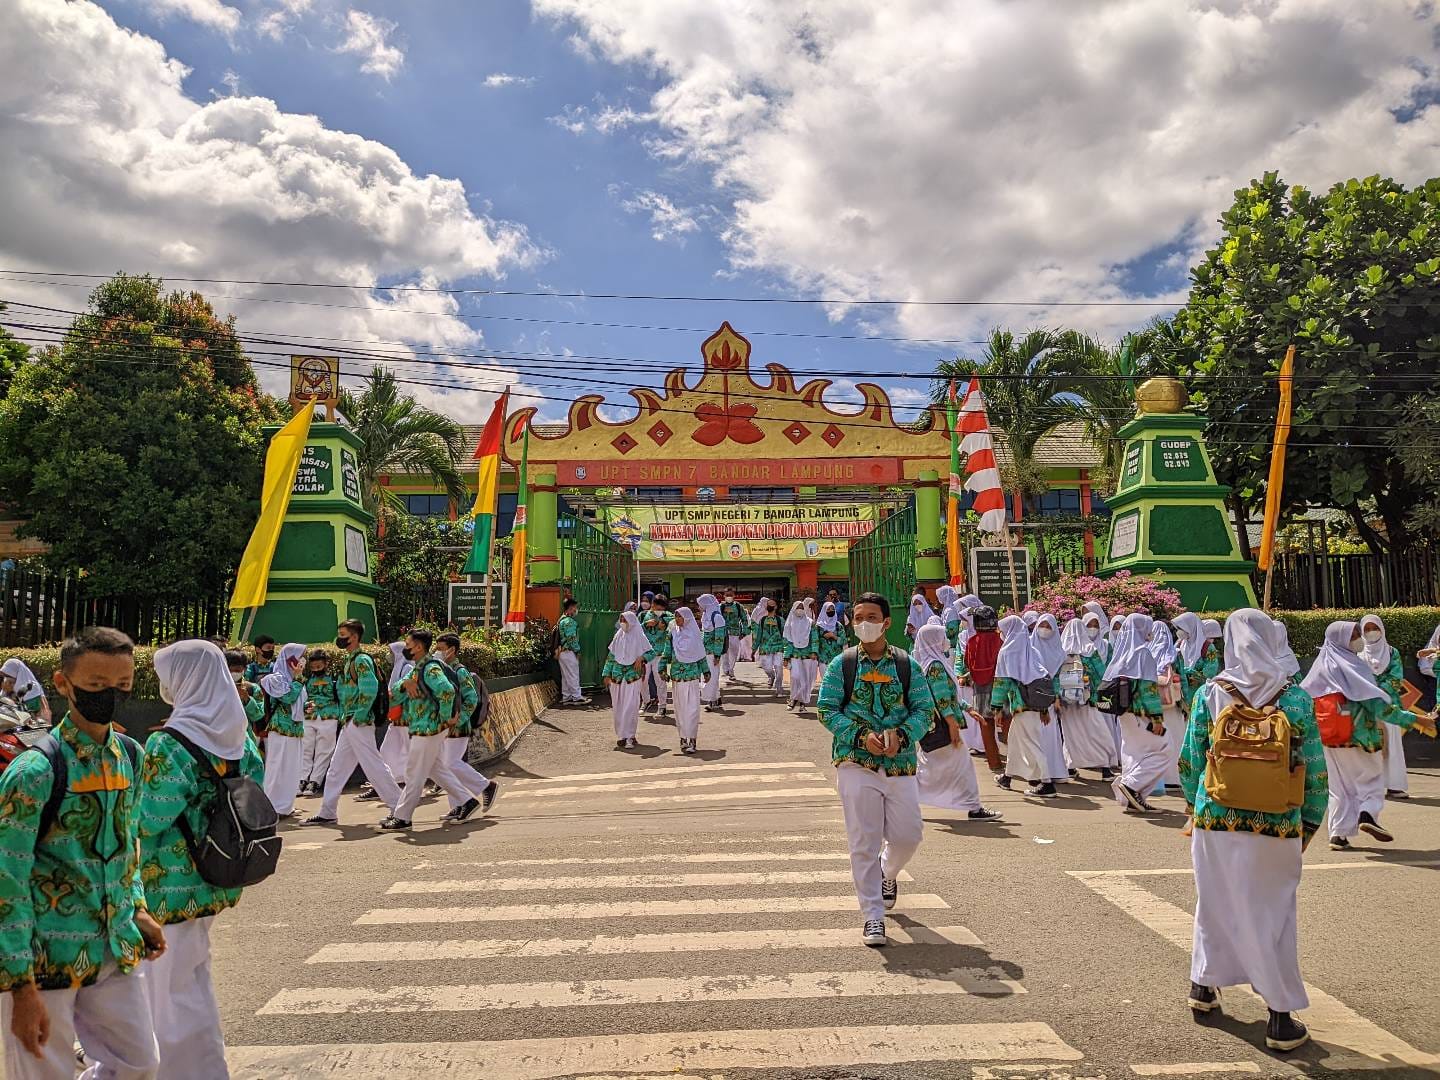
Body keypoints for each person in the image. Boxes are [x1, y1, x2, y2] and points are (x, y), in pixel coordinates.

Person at [0, 627, 163, 1080]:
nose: (110, 696)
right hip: (43, 959)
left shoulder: (129, 755)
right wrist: (19, 986)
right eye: (96, 686)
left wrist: (139, 909)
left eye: (122, 687)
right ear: (62, 682)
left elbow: (128, 843)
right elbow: (5, 878)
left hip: (114, 947)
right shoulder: (34, 771)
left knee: (140, 1066)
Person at [1179, 609, 1327, 1053]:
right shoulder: (1296, 698)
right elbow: (1315, 769)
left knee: (1214, 902)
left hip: (1215, 817)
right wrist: (1309, 824)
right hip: (1276, 820)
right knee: (1274, 915)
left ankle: (1203, 988)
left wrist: (1193, 804)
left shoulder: (1210, 692)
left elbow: (1191, 758)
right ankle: (1279, 1017)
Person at [140, 639, 265, 1079]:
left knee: (170, 994)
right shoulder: (238, 735)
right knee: (191, 981)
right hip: (215, 873)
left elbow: (149, 818)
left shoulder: (169, 743)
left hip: (167, 884)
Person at [816, 592, 936, 947]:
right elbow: (826, 709)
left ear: (886, 622)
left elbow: (924, 710)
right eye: (857, 617)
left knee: (908, 835)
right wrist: (859, 736)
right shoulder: (843, 664)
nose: (863, 623)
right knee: (863, 840)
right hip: (856, 763)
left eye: (871, 616)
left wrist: (903, 735)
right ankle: (873, 916)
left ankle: (889, 872)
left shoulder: (906, 665)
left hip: (900, 766)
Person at [1300, 621, 1434, 851]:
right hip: (1360, 737)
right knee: (1371, 780)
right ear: (1342, 639)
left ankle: (1338, 834)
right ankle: (1367, 815)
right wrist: (1417, 719)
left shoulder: (1321, 667)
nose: (1359, 637)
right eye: (1354, 634)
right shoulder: (1354, 667)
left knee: (1339, 787)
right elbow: (1379, 708)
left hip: (1329, 739)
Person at [305, 620, 403, 827]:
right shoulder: (352, 659)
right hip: (351, 720)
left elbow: (370, 687)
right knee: (336, 769)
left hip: (358, 721)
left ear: (355, 637)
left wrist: (359, 714)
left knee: (374, 766)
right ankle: (328, 811)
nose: (339, 638)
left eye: (342, 634)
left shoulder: (360, 660)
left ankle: (399, 809)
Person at [914, 620, 1001, 822]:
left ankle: (907, 800)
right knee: (962, 767)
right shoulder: (934, 666)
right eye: (942, 637)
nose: (946, 640)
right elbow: (942, 698)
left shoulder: (930, 663)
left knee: (929, 767)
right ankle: (974, 808)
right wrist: (953, 725)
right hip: (943, 726)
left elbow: (949, 695)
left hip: (935, 726)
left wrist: (968, 709)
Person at [1104, 612, 1170, 813]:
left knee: (1134, 753)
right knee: (1165, 748)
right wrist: (1157, 718)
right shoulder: (1143, 652)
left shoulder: (1122, 651)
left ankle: (1133, 798)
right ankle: (1131, 786)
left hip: (1124, 714)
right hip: (1142, 715)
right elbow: (1148, 690)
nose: (1150, 632)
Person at [434, 633, 498, 822]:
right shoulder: (443, 670)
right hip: (447, 726)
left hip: (459, 727)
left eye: (440, 648)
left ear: (452, 650)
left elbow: (472, 699)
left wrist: (459, 720)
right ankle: (457, 806)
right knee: (448, 766)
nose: (437, 652)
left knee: (450, 764)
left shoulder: (459, 671)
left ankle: (486, 786)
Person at [991, 614, 1055, 798]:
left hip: (1021, 706)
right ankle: (1008, 777)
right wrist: (1044, 708)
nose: (1001, 634)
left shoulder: (1007, 652)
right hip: (1034, 705)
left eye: (1002, 630)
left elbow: (1002, 682)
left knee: (1032, 744)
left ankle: (1047, 783)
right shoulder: (1031, 650)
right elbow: (1039, 679)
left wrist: (996, 708)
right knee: (1015, 741)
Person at [1057, 617, 1117, 779]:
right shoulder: (1090, 649)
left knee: (1071, 735)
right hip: (1088, 700)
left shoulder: (1061, 651)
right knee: (1098, 732)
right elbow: (1102, 674)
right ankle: (1105, 768)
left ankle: (1070, 766)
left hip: (1067, 702)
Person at [1358, 614, 1408, 799]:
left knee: (1392, 744)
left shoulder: (1392, 652)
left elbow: (1396, 677)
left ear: (1382, 629)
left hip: (1389, 705)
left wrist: (1380, 691)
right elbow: (1357, 678)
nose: (1371, 632)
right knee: (1368, 745)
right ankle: (1370, 787)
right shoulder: (1359, 654)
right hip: (1367, 706)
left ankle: (1394, 785)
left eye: (1374, 628)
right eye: (1367, 629)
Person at [258, 644, 308, 818]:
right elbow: (287, 697)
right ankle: (269, 806)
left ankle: (285, 806)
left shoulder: (297, 679)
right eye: (301, 656)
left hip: (295, 729)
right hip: (280, 728)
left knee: (291, 769)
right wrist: (298, 679)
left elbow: (300, 702)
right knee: (276, 767)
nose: (303, 660)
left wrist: (308, 707)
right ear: (290, 659)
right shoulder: (275, 679)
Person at [1030, 613, 1071, 787]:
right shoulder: (1030, 648)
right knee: (1036, 736)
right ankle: (1039, 773)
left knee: (1051, 735)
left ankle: (1054, 772)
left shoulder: (1059, 653)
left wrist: (1055, 697)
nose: (1045, 630)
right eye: (1042, 625)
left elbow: (1059, 677)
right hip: (1033, 698)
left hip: (1050, 699)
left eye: (1048, 627)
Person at [962, 605, 1004, 774]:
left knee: (986, 727)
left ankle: (994, 763)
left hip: (980, 689)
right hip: (999, 688)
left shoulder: (972, 641)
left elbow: (966, 662)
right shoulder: (999, 640)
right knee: (1007, 726)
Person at [298, 650, 340, 799]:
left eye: (319, 666)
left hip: (330, 716)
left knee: (324, 750)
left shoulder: (335, 679)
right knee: (305, 748)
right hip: (309, 716)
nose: (316, 669)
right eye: (313, 667)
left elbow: (340, 697)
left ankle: (315, 780)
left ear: (326, 664)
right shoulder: (306, 680)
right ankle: (301, 779)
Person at [1149, 621, 1186, 791]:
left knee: (1158, 740)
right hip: (1172, 704)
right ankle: (1176, 777)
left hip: (1155, 706)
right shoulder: (1175, 654)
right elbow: (1183, 679)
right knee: (1176, 738)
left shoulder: (1147, 653)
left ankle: (1159, 779)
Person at [603, 611, 648, 749]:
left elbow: (650, 652)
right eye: (621, 619)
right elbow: (611, 656)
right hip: (616, 677)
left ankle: (630, 736)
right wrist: (606, 674)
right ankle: (622, 735)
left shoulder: (639, 636)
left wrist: (641, 658)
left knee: (631, 706)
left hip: (632, 677)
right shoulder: (618, 636)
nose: (622, 622)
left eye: (625, 619)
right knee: (618, 707)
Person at [668, 608, 709, 755]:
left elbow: (700, 654)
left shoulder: (695, 635)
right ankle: (682, 738)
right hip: (677, 677)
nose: (677, 619)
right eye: (676, 616)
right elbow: (667, 652)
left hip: (692, 677)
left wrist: (706, 670)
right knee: (679, 710)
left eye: (680, 616)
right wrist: (661, 669)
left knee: (692, 709)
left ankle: (692, 739)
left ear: (687, 618)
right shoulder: (672, 633)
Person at [376, 640, 412, 787]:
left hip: (407, 717)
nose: (388, 656)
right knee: (387, 750)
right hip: (396, 718)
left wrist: (391, 695)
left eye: (391, 653)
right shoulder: (398, 669)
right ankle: (391, 780)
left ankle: (412, 782)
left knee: (410, 752)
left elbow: (406, 691)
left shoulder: (408, 668)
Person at [640, 594, 674, 717]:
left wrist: (665, 627)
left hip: (661, 654)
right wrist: (646, 625)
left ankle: (662, 706)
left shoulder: (669, 617)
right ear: (652, 605)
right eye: (657, 608)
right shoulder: (643, 615)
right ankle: (646, 701)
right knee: (642, 680)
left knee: (660, 680)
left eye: (662, 609)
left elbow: (675, 631)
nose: (659, 611)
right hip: (645, 653)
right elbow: (636, 631)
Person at [782, 600, 819, 712]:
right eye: (798, 607)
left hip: (808, 656)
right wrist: (786, 656)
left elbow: (815, 638)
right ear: (793, 609)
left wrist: (814, 651)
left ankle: (802, 703)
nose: (800, 609)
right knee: (795, 678)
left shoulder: (810, 622)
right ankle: (793, 699)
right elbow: (788, 641)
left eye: (802, 607)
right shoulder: (789, 624)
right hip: (795, 655)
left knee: (806, 680)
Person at [555, 598, 590, 706]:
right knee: (573, 674)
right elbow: (571, 638)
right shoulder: (569, 622)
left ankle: (567, 697)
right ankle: (577, 697)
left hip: (562, 652)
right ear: (570, 608)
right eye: (575, 608)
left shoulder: (561, 620)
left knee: (566, 676)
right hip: (569, 652)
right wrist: (577, 650)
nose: (576, 610)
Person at [696, 594, 727, 712]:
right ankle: (716, 699)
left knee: (711, 677)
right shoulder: (706, 616)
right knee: (712, 676)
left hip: (713, 653)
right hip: (705, 652)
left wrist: (717, 655)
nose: (699, 607)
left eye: (700, 605)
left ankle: (710, 700)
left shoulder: (717, 617)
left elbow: (719, 638)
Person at [225, 650, 266, 731]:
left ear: (245, 669)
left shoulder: (253, 688)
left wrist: (247, 698)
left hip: (244, 737)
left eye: (237, 671)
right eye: (229, 671)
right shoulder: (215, 687)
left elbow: (258, 716)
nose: (233, 673)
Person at [752, 597, 785, 696]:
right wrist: (754, 649)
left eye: (772, 604)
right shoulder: (762, 620)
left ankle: (779, 689)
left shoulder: (781, 620)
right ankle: (771, 676)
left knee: (779, 668)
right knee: (767, 668)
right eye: (768, 604)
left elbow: (785, 634)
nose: (770, 605)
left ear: (776, 607)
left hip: (778, 647)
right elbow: (759, 635)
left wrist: (786, 648)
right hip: (765, 648)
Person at [0, 659, 51, 723]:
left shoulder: (32, 694)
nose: (4, 681)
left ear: (18, 676)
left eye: (7, 676)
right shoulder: (9, 691)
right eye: (2, 677)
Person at [719, 589, 750, 680]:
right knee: (724, 652)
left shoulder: (738, 606)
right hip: (723, 633)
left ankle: (731, 669)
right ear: (724, 596)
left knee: (734, 652)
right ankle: (726, 669)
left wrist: (744, 631)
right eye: (727, 595)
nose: (729, 596)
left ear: (734, 596)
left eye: (730, 595)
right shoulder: (720, 606)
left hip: (735, 633)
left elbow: (744, 619)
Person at [817, 601, 845, 667]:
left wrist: (834, 636)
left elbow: (844, 641)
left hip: (837, 659)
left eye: (833, 609)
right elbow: (814, 641)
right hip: (823, 659)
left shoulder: (838, 625)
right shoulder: (819, 626)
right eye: (828, 609)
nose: (831, 611)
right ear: (824, 610)